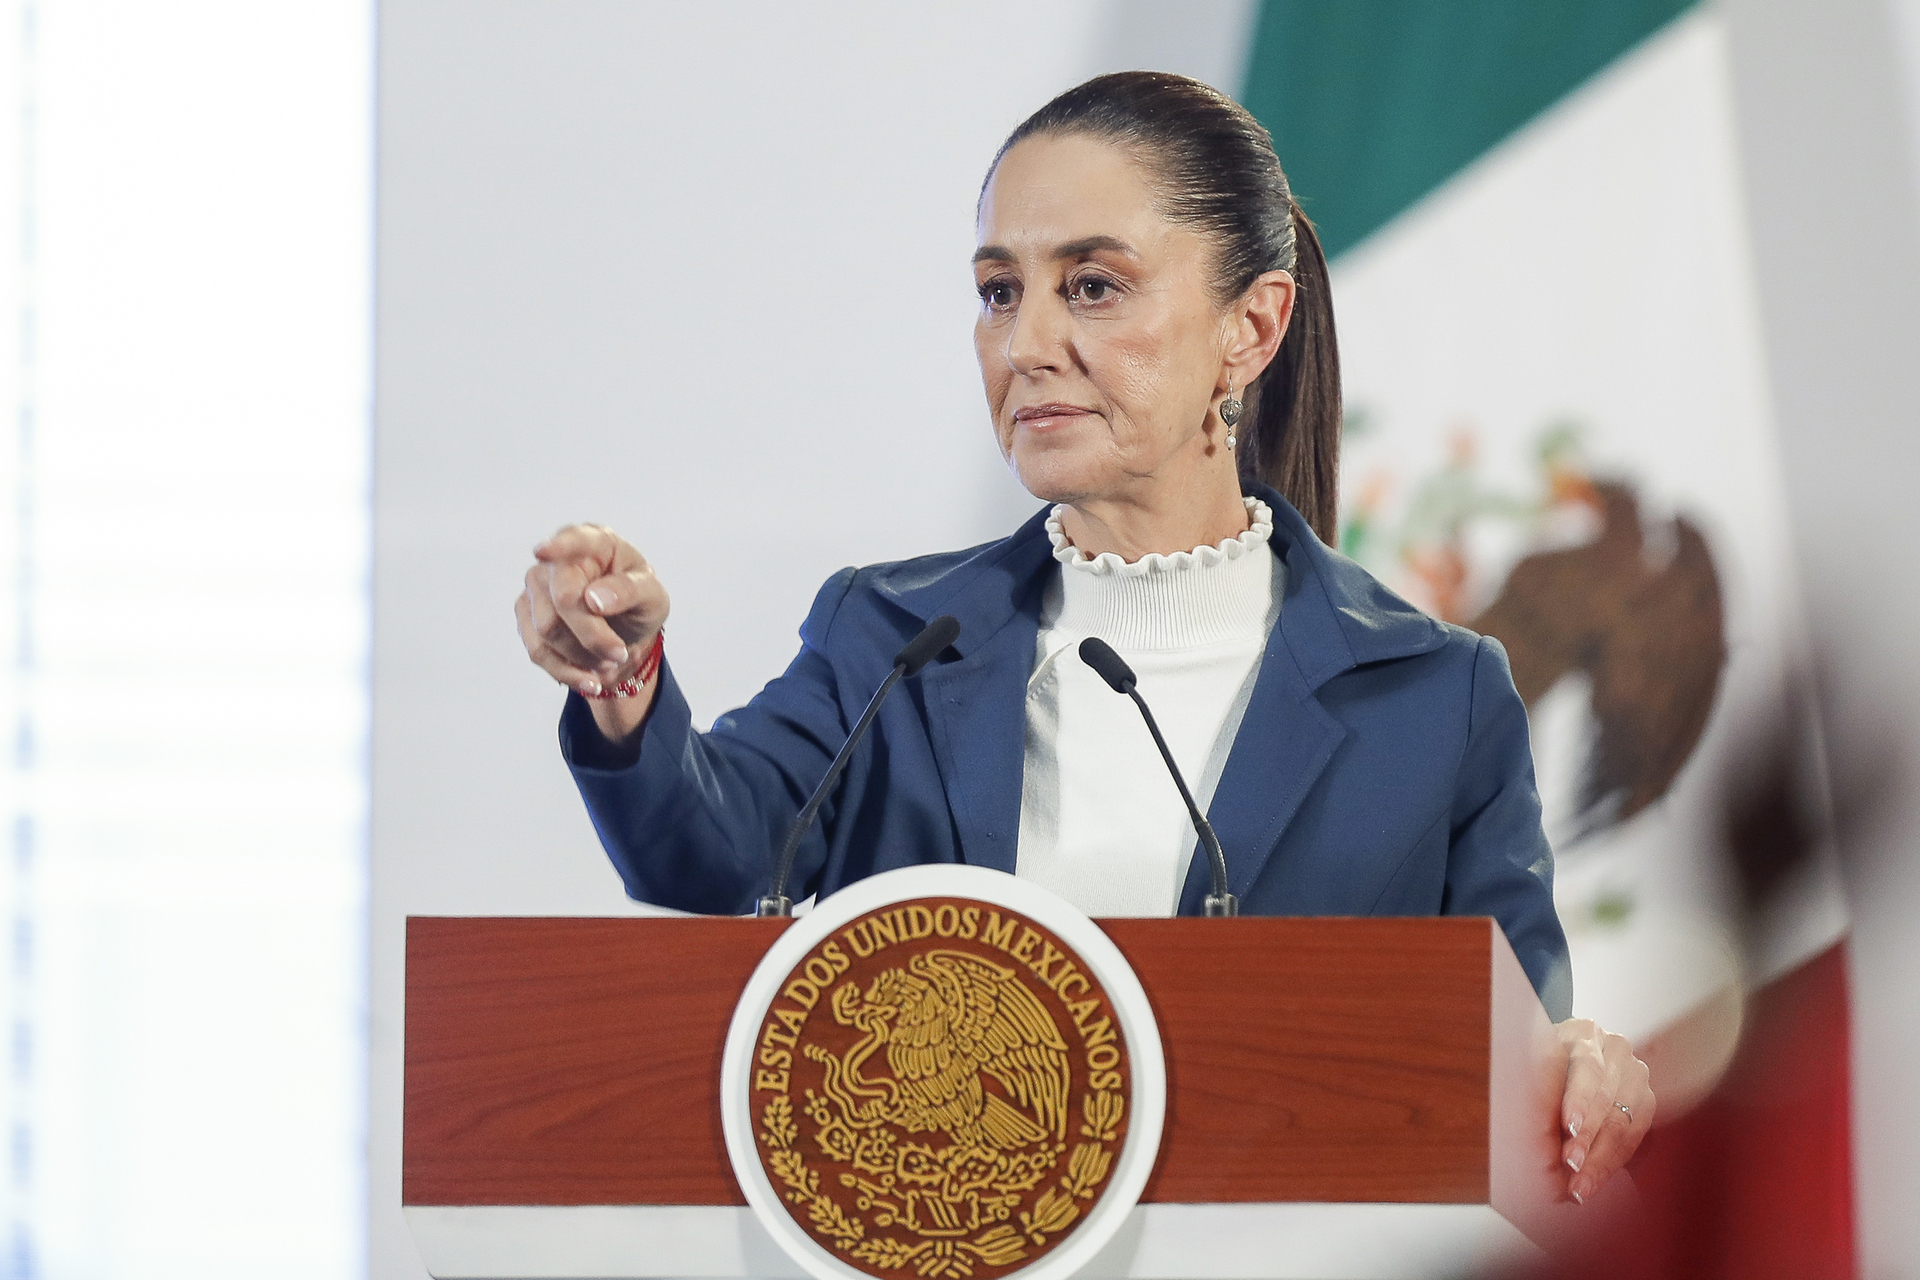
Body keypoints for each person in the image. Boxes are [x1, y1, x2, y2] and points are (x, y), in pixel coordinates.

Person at [514, 72, 1652, 1205]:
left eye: (1093, 286)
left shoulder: (1436, 699)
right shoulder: (894, 639)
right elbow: (706, 849)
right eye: (999, 291)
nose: (1026, 343)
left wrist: (1578, 1077)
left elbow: (1519, 1067)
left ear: (1251, 328)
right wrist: (622, 678)